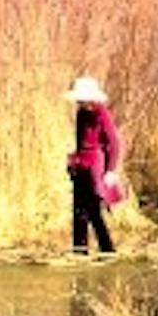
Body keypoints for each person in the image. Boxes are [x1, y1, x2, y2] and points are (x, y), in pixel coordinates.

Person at [65, 74, 124, 256]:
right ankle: (79, 250)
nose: (79, 102)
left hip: (94, 167)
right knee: (78, 210)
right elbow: (81, 142)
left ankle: (107, 249)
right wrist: (73, 162)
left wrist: (111, 170)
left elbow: (114, 142)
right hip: (81, 164)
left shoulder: (101, 113)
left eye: (82, 99)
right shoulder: (81, 113)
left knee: (94, 210)